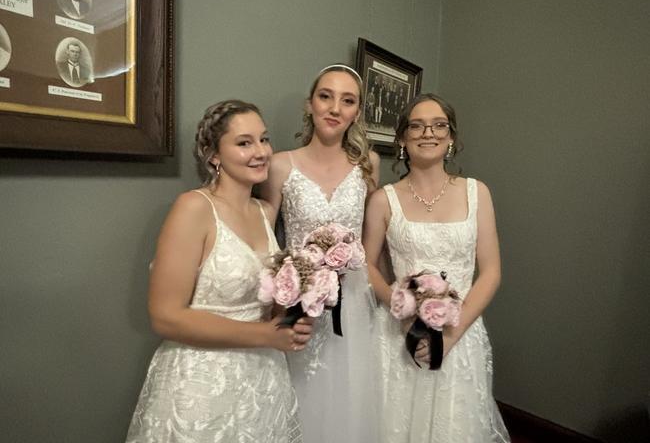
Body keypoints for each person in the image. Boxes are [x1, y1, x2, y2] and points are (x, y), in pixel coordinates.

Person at [126, 100, 312, 443]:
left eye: (264, 139)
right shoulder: (194, 208)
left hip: (263, 383)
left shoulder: (264, 211)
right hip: (203, 385)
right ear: (213, 155)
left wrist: (293, 312)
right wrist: (267, 336)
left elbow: (264, 301)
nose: (261, 151)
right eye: (244, 143)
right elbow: (165, 316)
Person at [363, 93, 510, 442]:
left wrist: (450, 336)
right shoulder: (384, 199)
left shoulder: (477, 193)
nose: (428, 133)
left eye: (439, 125)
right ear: (402, 138)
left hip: (461, 331)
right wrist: (402, 308)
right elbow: (367, 266)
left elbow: (490, 272)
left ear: (451, 137)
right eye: (417, 126)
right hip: (399, 335)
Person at [259, 64, 381, 443]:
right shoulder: (281, 164)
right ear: (309, 104)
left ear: (357, 113)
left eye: (347, 101)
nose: (334, 108)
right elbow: (265, 236)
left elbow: (371, 237)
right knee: (301, 394)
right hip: (299, 300)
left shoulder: (368, 166)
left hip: (354, 301)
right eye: (325, 96)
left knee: (350, 397)